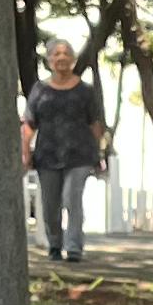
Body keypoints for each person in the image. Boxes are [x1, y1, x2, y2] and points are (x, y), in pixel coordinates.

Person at [24, 39, 108, 263]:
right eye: (56, 54)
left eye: (65, 54)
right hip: (47, 155)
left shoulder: (85, 91)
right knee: (50, 205)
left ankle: (74, 248)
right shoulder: (40, 90)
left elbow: (95, 124)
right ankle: (54, 244)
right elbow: (29, 124)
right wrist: (25, 153)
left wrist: (101, 153)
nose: (61, 58)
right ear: (50, 60)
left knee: (72, 198)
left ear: (73, 60)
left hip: (79, 154)